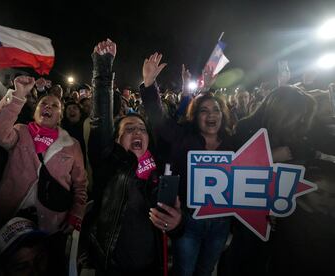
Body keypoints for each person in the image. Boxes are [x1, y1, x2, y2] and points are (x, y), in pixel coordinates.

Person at [83, 39, 182, 275]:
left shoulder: (161, 170)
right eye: (128, 129)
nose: (137, 131)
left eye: (141, 128)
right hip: (112, 266)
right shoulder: (109, 164)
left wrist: (177, 224)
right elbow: (100, 122)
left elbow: (174, 226)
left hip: (152, 267)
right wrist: (103, 68)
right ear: (116, 140)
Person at [140, 52, 235, 276]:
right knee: (184, 270)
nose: (211, 115)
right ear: (195, 116)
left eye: (216, 110)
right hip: (189, 220)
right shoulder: (183, 137)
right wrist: (149, 84)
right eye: (204, 111)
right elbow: (159, 119)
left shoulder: (234, 143)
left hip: (221, 224)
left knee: (206, 270)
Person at [0, 76, 88, 272]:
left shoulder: (72, 145)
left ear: (60, 116)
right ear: (35, 111)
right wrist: (18, 95)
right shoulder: (21, 132)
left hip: (51, 223)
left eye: (54, 105)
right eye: (43, 103)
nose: (48, 107)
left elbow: (80, 184)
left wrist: (76, 213)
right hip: (9, 217)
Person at [221, 85, 317, 276]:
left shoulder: (299, 133)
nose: (302, 119)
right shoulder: (246, 128)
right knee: (243, 256)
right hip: (249, 212)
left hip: (283, 213)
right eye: (298, 113)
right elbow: (232, 172)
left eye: (304, 114)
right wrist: (270, 158)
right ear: (281, 111)